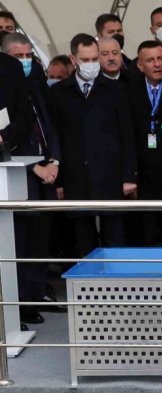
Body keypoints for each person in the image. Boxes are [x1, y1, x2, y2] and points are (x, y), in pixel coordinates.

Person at [51, 33, 137, 257]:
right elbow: (55, 138)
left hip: (110, 175)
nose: (91, 64)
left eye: (94, 58)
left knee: (114, 239)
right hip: (76, 177)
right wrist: (59, 181)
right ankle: (88, 278)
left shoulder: (115, 90)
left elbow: (127, 135)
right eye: (86, 59)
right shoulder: (59, 93)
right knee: (84, 240)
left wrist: (129, 176)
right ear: (73, 59)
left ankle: (116, 279)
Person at [3, 32, 62, 326]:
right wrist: (34, 167)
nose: (25, 62)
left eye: (29, 56)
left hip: (46, 176)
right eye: (18, 57)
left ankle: (37, 294)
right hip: (20, 178)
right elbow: (9, 139)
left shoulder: (35, 87)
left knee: (40, 240)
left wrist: (54, 161)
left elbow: (50, 126)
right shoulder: (5, 93)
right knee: (20, 244)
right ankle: (20, 304)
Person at [128, 40, 162, 246]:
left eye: (161, 58)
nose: (158, 64)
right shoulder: (128, 90)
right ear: (140, 65)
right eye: (150, 60)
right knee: (149, 229)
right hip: (144, 172)